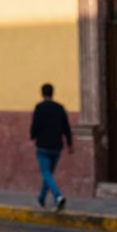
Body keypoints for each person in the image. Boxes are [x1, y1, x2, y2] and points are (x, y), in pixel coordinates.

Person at [30, 83, 71, 211]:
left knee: (46, 173)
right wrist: (70, 143)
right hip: (57, 146)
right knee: (48, 174)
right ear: (53, 93)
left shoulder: (39, 107)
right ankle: (41, 199)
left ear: (42, 94)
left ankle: (58, 196)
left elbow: (35, 125)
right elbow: (66, 127)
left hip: (43, 145)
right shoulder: (60, 108)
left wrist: (32, 135)